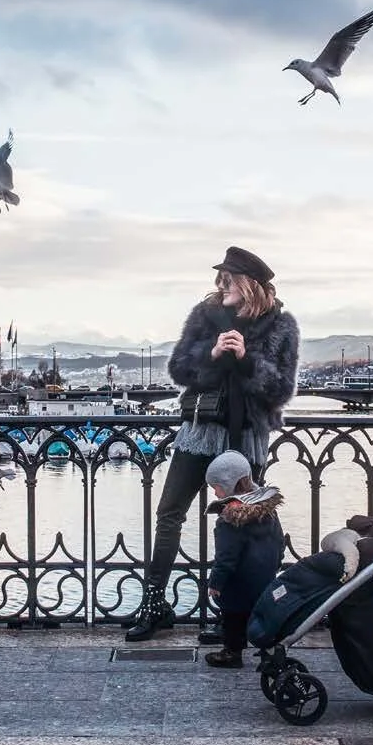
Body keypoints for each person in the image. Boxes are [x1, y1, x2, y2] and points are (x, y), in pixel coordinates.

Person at [126, 246, 300, 642]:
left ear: (249, 285)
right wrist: (213, 352)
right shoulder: (205, 316)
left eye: (230, 278)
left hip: (247, 436)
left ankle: (235, 619)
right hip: (201, 429)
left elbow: (282, 389)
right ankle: (154, 606)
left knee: (244, 522)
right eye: (220, 277)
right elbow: (179, 369)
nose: (221, 284)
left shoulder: (280, 326)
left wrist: (247, 361)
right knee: (170, 513)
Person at [201, 450, 285, 668]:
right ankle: (268, 650)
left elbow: (226, 557)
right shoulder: (267, 511)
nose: (215, 492)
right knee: (262, 616)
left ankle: (232, 653)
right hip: (265, 577)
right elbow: (280, 542)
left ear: (229, 485)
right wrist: (275, 565)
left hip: (238, 583)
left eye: (216, 486)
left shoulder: (230, 520)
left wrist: (216, 583)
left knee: (233, 618)